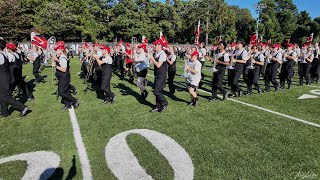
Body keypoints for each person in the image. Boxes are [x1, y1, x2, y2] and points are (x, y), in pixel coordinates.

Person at [0, 39, 28, 117]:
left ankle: (22, 107)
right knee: (2, 95)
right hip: (5, 76)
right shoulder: (4, 54)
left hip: (3, 77)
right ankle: (4, 112)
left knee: (5, 96)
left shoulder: (1, 55)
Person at [52, 44, 79, 110]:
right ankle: (68, 105)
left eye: (57, 50)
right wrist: (55, 60)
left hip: (64, 77)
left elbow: (64, 69)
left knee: (61, 92)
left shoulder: (63, 57)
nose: (56, 52)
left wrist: (55, 66)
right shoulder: (61, 57)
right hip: (62, 76)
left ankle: (75, 100)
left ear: (61, 50)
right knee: (65, 91)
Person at [149, 39, 168, 112]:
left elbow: (159, 65)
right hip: (157, 75)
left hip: (162, 75)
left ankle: (165, 103)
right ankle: (158, 106)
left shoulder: (162, 54)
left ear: (160, 45)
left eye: (156, 45)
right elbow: (151, 64)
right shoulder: (156, 53)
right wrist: (150, 58)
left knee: (156, 91)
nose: (154, 46)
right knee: (158, 91)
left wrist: (153, 59)